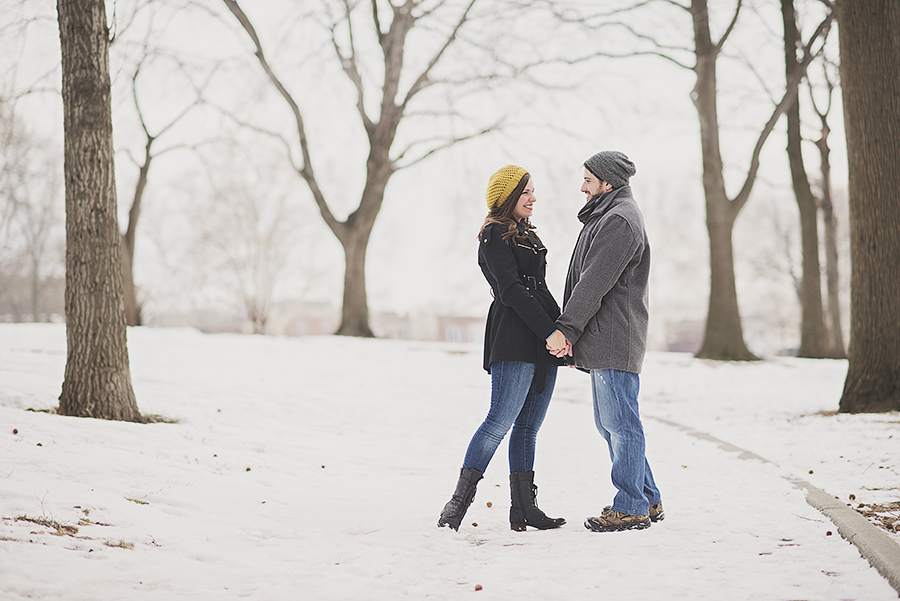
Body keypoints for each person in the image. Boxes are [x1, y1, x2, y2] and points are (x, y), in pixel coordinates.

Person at [438, 165, 566, 533]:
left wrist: (563, 334)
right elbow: (510, 291)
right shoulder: (494, 235)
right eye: (526, 191)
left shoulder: (528, 236)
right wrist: (549, 332)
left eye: (533, 191)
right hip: (513, 337)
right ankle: (457, 505)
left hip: (541, 339)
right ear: (508, 196)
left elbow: (539, 290)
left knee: (528, 428)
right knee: (499, 422)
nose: (533, 198)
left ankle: (524, 509)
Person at [546, 151, 663, 532]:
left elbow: (593, 282)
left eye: (588, 180)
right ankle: (648, 498)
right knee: (610, 423)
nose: (582, 187)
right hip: (605, 337)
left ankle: (630, 506)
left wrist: (567, 328)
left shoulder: (619, 221)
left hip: (614, 336)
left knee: (621, 424)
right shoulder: (608, 215)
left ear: (607, 183)